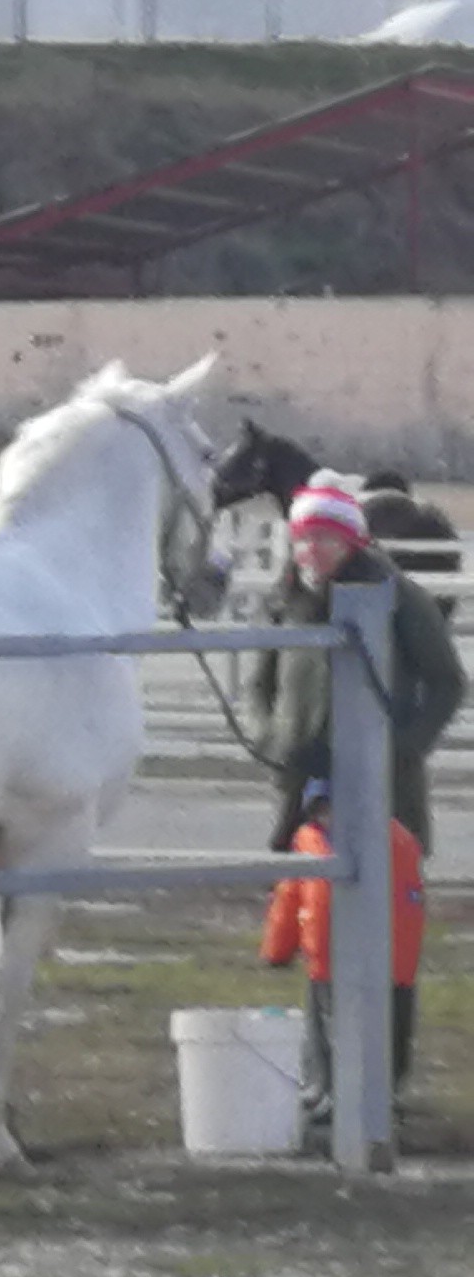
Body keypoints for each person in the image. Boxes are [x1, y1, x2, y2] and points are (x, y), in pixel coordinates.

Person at [246, 471, 460, 1133]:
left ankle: (380, 1081)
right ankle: (322, 1077)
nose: (312, 552)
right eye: (303, 540)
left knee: (386, 945)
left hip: (385, 800)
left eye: (325, 540)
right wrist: (272, 739)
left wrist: (399, 751)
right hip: (308, 799)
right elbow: (259, 683)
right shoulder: (285, 601)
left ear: (352, 541)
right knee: (320, 939)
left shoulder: (397, 598)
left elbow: (447, 683)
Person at [260, 780, 425, 1148]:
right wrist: (277, 949)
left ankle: (357, 1096)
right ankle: (349, 1096)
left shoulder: (376, 840)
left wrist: (277, 951)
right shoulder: (391, 838)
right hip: (347, 963)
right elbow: (291, 896)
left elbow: (292, 897)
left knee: (364, 1031)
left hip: (366, 964)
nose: (328, 817)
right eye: (321, 810)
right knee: (347, 1032)